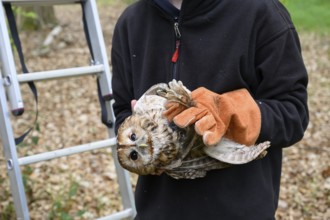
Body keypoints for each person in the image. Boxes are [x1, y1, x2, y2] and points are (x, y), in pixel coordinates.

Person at [111, 0, 309, 219]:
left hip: (239, 210)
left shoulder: (261, 13)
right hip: (158, 211)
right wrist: (141, 136)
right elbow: (121, 109)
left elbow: (294, 113)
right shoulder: (131, 23)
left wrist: (236, 113)